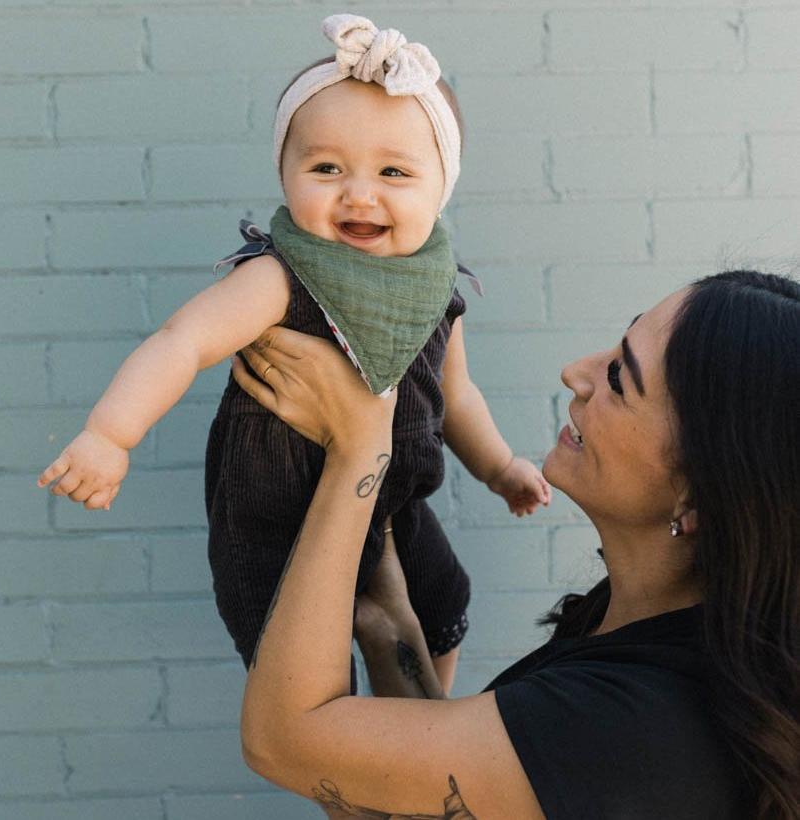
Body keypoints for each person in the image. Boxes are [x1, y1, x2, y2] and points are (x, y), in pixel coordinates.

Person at [36, 14, 550, 691]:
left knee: (443, 599)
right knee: (304, 670)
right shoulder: (279, 278)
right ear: (284, 173)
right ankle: (340, 741)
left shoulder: (436, 289)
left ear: (440, 186)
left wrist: (501, 466)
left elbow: (456, 395)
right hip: (277, 518)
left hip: (390, 505)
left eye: (394, 171)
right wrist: (109, 434)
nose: (357, 191)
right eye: (326, 167)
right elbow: (181, 341)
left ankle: (427, 724)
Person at [232, 270, 799, 819]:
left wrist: (358, 451)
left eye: (620, 380)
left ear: (696, 497)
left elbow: (282, 740)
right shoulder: (643, 626)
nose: (576, 373)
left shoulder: (635, 726)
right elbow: (439, 796)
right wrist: (390, 630)